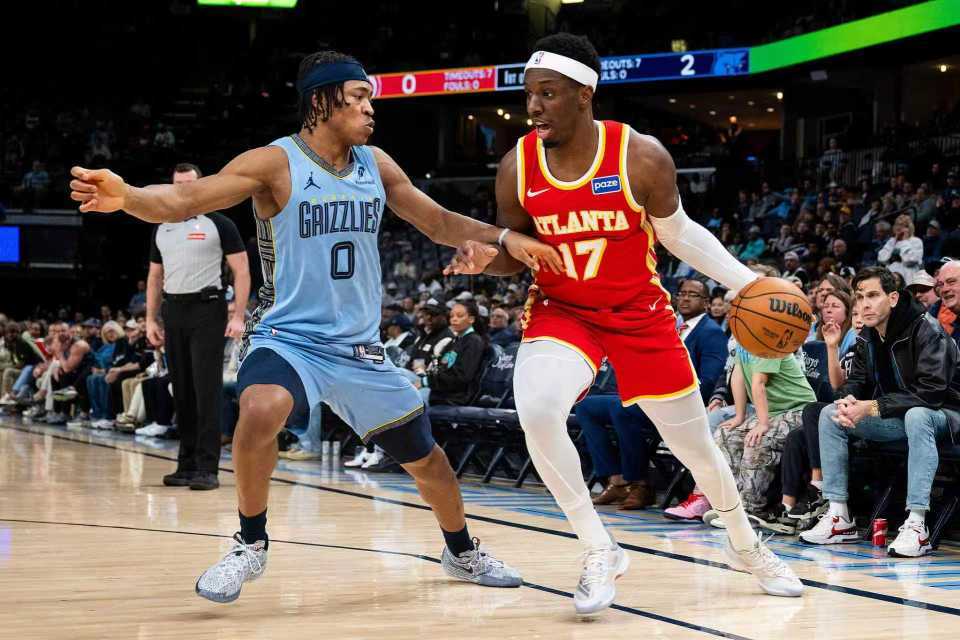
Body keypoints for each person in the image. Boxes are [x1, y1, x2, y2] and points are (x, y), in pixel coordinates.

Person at [70, 50, 559, 602]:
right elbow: (185, 199)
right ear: (322, 102)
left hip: (359, 348)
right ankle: (250, 543)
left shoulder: (377, 164)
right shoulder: (274, 163)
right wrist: (128, 197)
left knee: (430, 462)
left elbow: (441, 222)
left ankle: (461, 550)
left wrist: (506, 238)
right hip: (289, 336)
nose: (371, 108)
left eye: (371, 99)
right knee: (260, 407)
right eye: (359, 98)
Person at [445, 33, 802, 613]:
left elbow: (679, 235)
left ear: (584, 94)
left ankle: (745, 543)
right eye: (529, 94)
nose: (533, 106)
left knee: (695, 448)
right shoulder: (517, 166)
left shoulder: (640, 156)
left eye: (548, 93)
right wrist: (489, 257)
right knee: (538, 409)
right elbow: (517, 252)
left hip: (639, 312)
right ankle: (598, 547)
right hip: (564, 310)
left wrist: (745, 283)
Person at [800, 268, 959, 557]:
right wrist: (848, 402)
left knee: (918, 415)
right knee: (829, 414)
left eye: (873, 295)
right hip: (900, 416)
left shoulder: (928, 330)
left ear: (893, 298)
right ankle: (839, 516)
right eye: (860, 297)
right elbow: (856, 382)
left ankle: (917, 524)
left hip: (946, 416)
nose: (864, 305)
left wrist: (872, 406)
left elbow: (932, 393)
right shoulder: (867, 336)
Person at [140, 163, 251, 491]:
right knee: (182, 389)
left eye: (190, 184)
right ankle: (186, 464)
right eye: (178, 184)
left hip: (208, 308)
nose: (184, 189)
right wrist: (150, 319)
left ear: (202, 185)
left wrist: (238, 315)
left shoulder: (220, 223)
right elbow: (154, 277)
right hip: (174, 309)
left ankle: (207, 467)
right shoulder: (162, 226)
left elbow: (242, 271)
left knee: (206, 390)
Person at [878, 214, 924, 285]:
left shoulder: (916, 241)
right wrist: (894, 242)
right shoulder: (892, 241)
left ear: (909, 228)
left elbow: (910, 260)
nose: (899, 227)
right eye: (897, 224)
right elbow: (881, 258)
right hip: (891, 276)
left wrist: (904, 241)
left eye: (902, 225)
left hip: (908, 278)